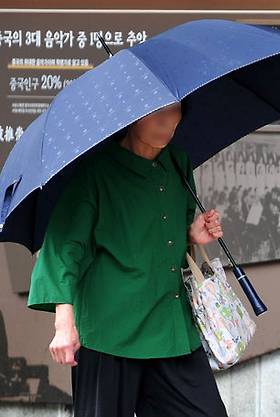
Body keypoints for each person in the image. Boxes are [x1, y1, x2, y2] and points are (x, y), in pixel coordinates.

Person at [26, 101, 230, 417]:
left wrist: (191, 233)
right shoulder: (94, 172)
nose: (168, 122)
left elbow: (164, 231)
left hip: (170, 328)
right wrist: (64, 324)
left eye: (175, 112)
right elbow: (64, 248)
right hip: (110, 333)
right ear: (132, 116)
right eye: (158, 113)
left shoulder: (178, 162)